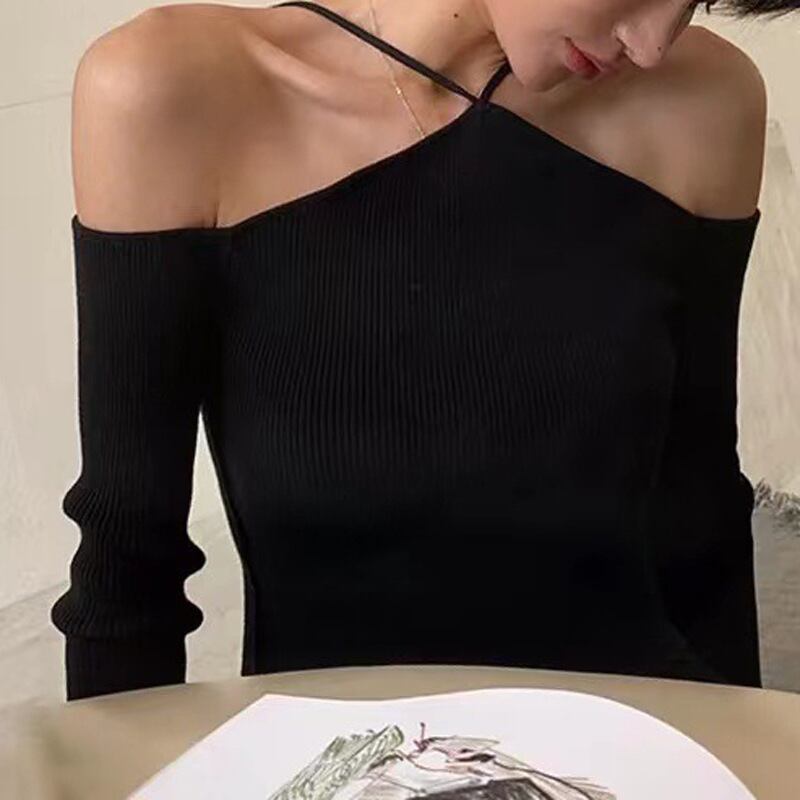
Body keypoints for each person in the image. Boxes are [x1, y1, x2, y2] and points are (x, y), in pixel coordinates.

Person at [49, 0, 793, 702]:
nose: (655, 41)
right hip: (339, 755)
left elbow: (700, 522)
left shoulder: (702, 101)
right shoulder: (174, 93)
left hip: (642, 752)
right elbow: (126, 570)